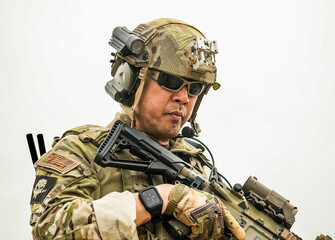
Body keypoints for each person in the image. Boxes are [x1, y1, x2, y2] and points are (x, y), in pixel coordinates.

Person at [29, 18, 246, 240]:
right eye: (170, 81)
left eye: (195, 88)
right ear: (130, 80)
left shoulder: (198, 167)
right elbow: (48, 229)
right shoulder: (82, 150)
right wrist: (160, 199)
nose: (183, 97)